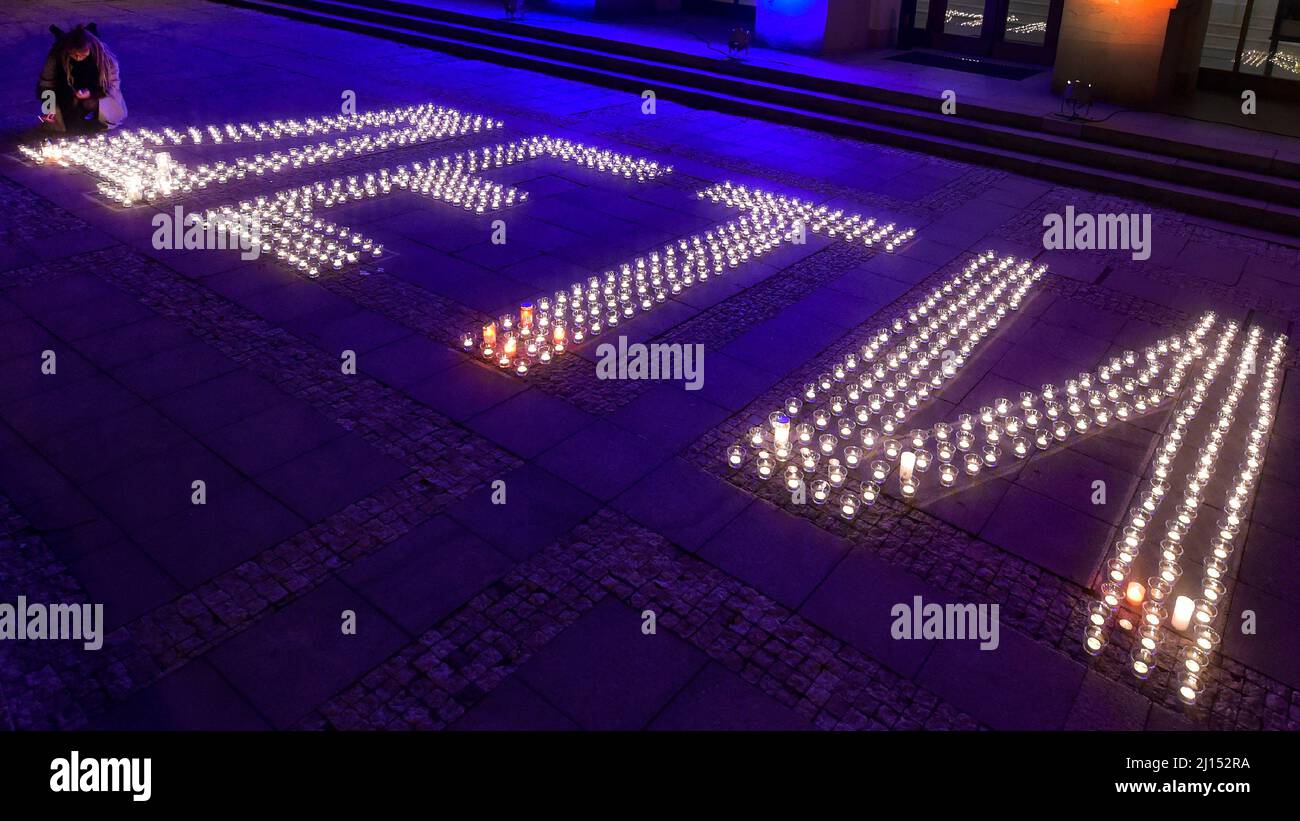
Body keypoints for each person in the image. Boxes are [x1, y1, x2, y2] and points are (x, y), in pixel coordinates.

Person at [37, 23, 127, 133]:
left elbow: (112, 86)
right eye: (74, 55)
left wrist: (92, 93)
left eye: (82, 55)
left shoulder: (105, 60)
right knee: (65, 126)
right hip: (65, 95)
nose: (78, 58)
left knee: (93, 106)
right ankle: (69, 115)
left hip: (94, 94)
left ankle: (94, 114)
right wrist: (50, 106)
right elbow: (46, 84)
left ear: (89, 47)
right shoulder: (56, 57)